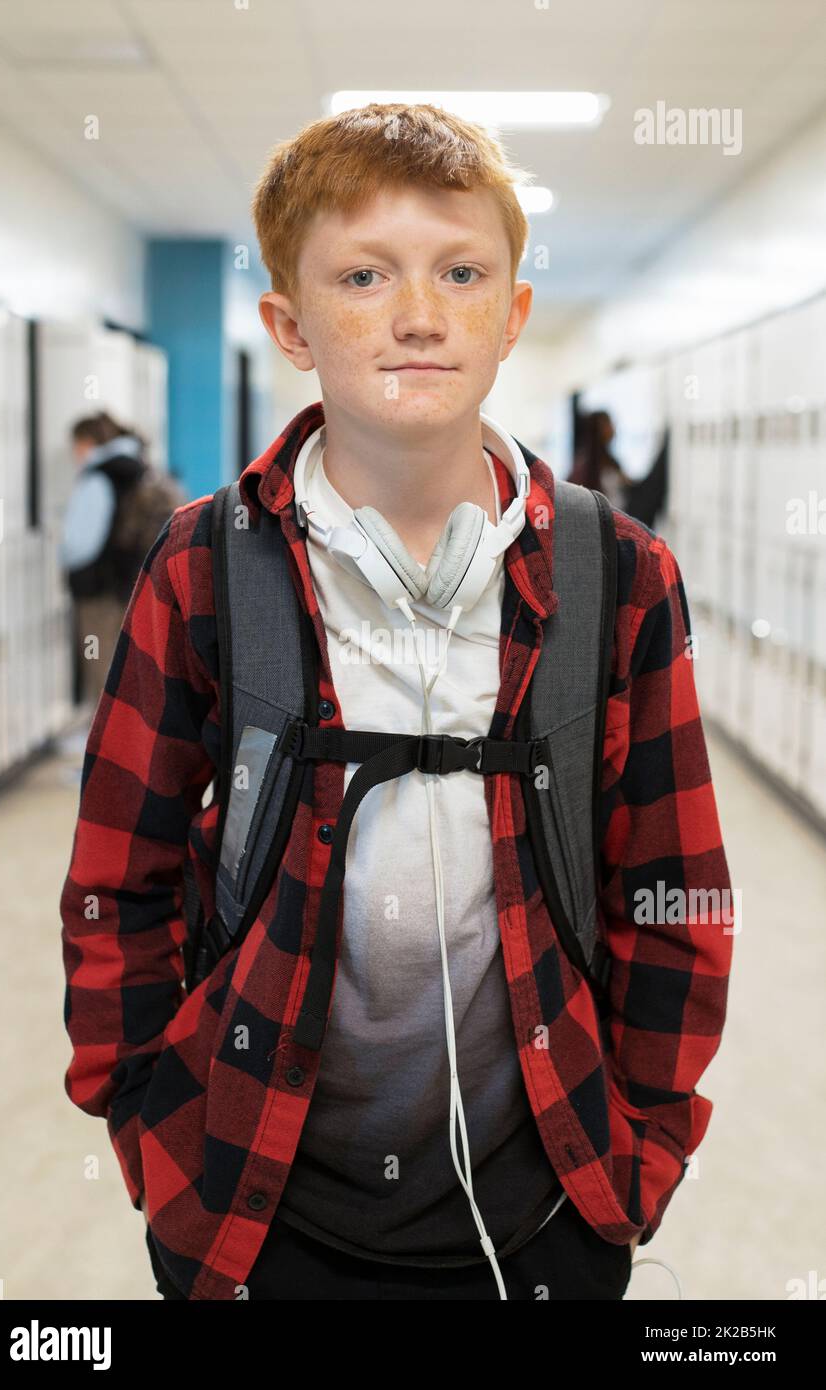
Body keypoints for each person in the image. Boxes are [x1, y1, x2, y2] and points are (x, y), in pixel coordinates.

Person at [60, 103, 734, 1301]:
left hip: (547, 1205)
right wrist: (144, 1127)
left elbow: (673, 886)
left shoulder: (617, 574)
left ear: (511, 314)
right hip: (252, 1204)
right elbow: (120, 874)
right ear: (289, 325)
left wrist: (643, 1148)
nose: (419, 312)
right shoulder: (205, 562)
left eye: (461, 272)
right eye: (362, 275)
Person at [58, 411, 186, 709]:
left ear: (88, 443)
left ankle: (105, 745)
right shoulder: (138, 466)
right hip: (133, 583)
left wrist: (63, 555)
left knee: (102, 667)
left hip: (101, 589)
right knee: (126, 667)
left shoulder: (100, 475)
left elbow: (81, 542)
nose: (74, 455)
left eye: (76, 446)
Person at [570, 409, 631, 509]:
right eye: (608, 424)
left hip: (621, 515)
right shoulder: (585, 465)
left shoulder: (612, 461)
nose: (612, 428)